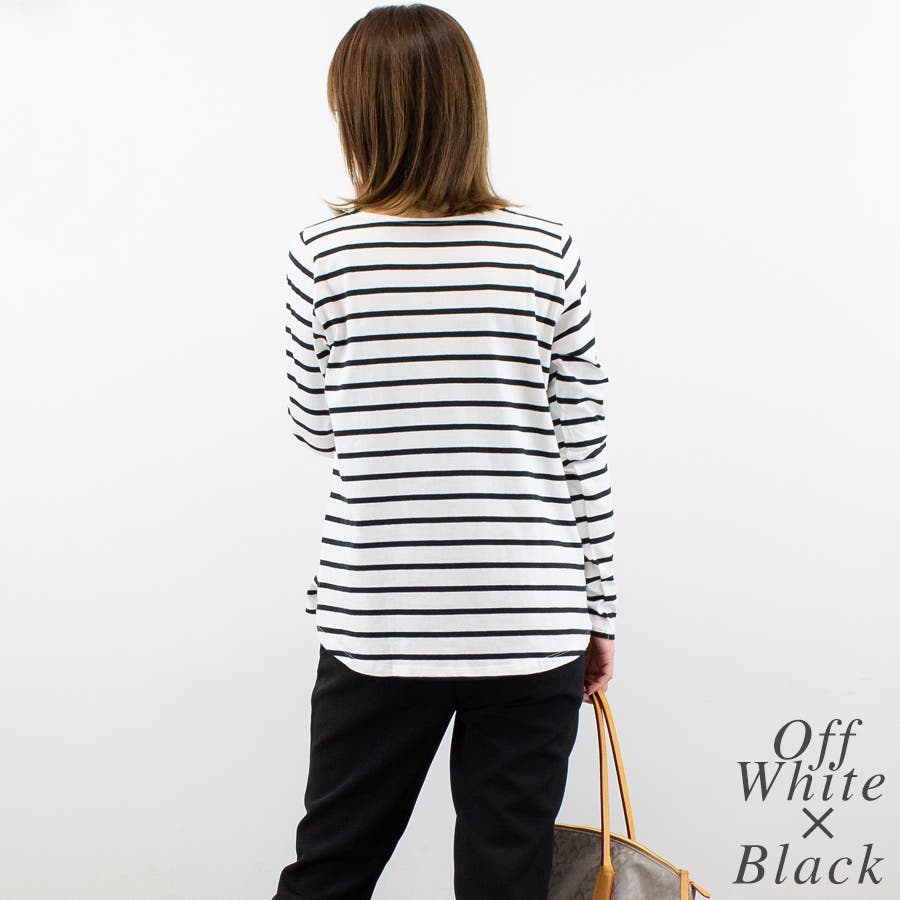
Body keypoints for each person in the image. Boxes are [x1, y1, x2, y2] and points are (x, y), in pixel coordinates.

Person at [273, 5, 616, 899]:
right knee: (507, 879)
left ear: (360, 116)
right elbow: (584, 447)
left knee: (332, 865)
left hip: (379, 617)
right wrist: (601, 612)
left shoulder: (323, 253)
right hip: (530, 616)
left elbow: (315, 427)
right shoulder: (545, 249)